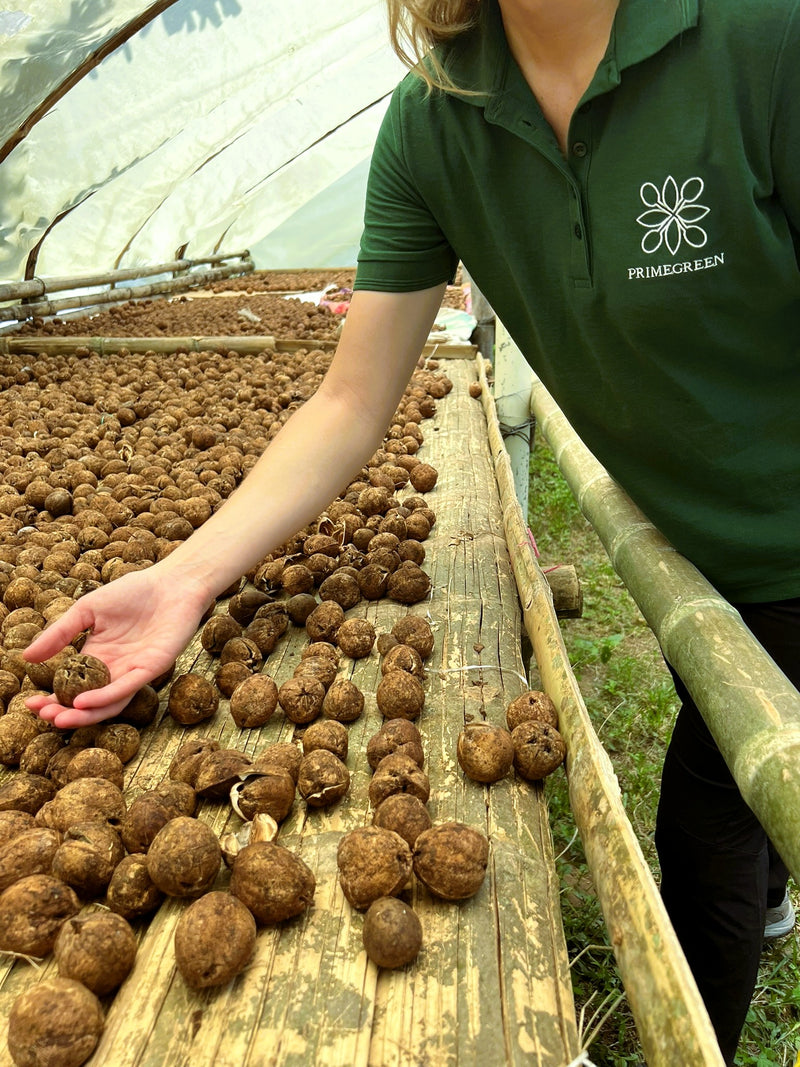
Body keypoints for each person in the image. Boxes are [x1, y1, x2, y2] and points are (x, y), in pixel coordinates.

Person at [24, 0, 800, 1061]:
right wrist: (184, 576)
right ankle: (769, 888)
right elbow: (351, 401)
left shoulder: (763, 37)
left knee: (711, 817)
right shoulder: (435, 118)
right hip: (709, 541)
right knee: (734, 757)